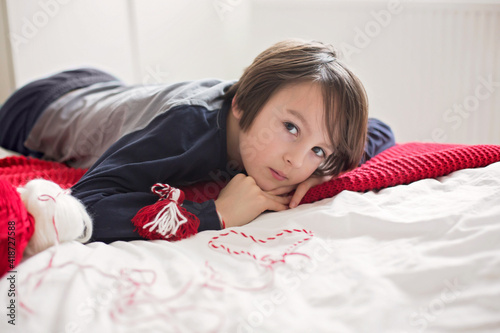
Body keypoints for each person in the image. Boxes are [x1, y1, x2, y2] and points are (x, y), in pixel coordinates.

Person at [0, 39, 395, 243]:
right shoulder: (187, 131)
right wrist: (215, 213)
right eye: (291, 128)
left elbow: (380, 132)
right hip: (36, 108)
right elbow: (85, 205)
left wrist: (324, 173)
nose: (296, 161)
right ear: (242, 104)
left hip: (110, 88)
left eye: (317, 149)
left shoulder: (302, 154)